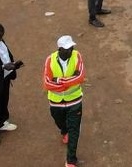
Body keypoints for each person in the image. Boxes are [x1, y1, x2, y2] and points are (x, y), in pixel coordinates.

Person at [43, 35, 85, 167]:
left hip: (74, 100)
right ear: (60, 49)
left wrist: (59, 80)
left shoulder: (77, 56)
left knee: (75, 130)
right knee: (60, 121)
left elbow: (81, 77)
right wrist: (70, 80)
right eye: (67, 49)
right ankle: (63, 131)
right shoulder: (50, 60)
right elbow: (46, 83)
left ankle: (71, 160)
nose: (71, 50)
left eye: (71, 47)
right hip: (56, 102)